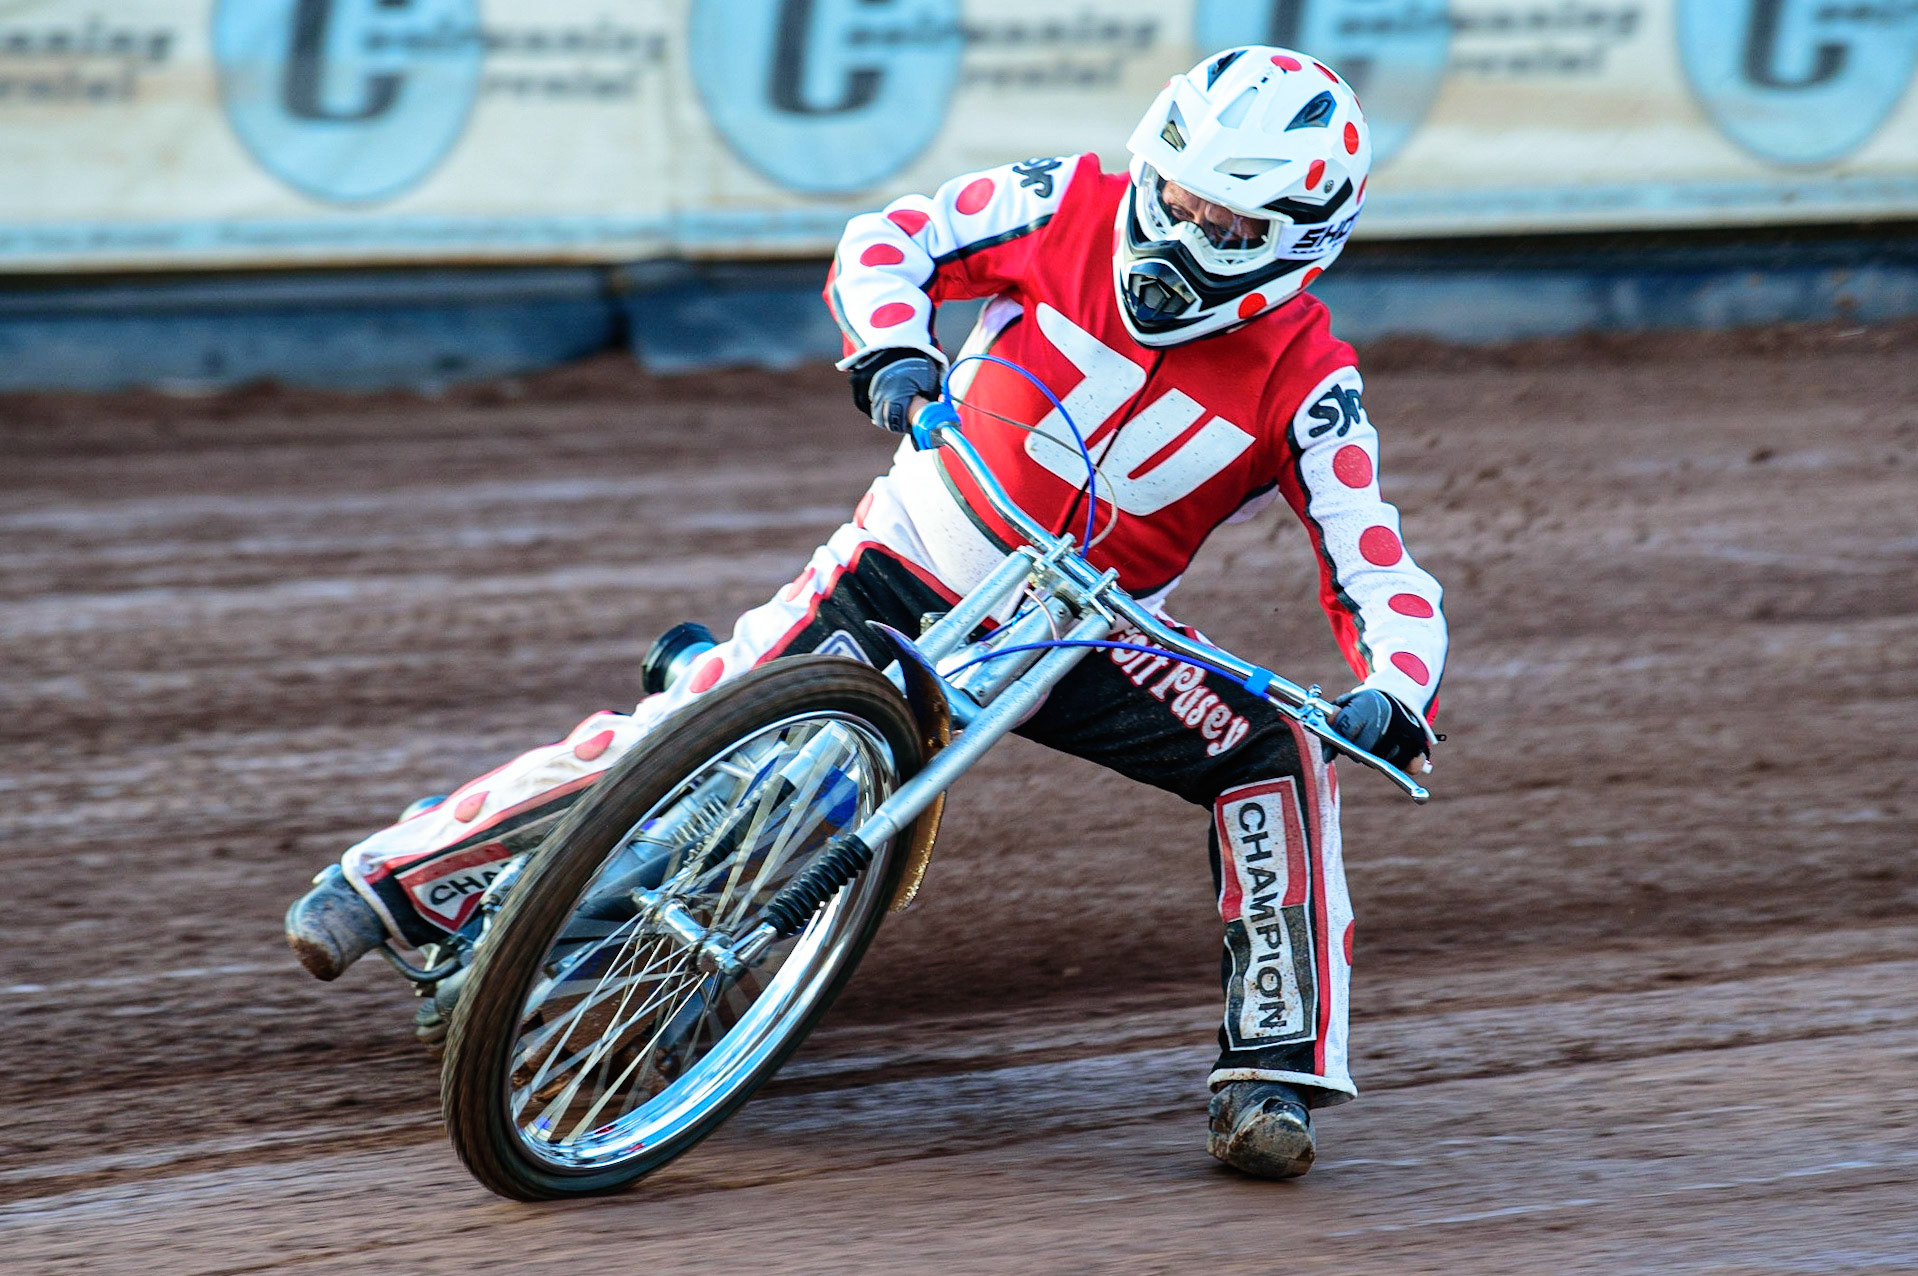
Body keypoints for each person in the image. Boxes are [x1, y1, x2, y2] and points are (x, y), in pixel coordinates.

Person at [285, 45, 1447, 1181]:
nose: (1181, 233)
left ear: (1301, 244)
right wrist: (891, 344)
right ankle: (393, 881)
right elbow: (895, 235)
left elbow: (1374, 559)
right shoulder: (1069, 198)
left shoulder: (1312, 380)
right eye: (1174, 195)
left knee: (1278, 751)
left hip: (1081, 629)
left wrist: (1397, 688)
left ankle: (1272, 1072)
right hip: (915, 542)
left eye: (1227, 228)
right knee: (691, 716)